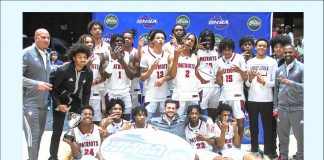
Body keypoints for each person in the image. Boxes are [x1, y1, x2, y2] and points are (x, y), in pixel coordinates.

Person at [48, 43, 93, 160]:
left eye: (85, 57)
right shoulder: (64, 70)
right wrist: (58, 105)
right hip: (60, 101)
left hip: (75, 102)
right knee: (57, 131)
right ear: (74, 57)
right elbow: (52, 89)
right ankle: (53, 156)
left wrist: (85, 107)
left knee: (77, 130)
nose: (83, 59)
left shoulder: (88, 72)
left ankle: (77, 155)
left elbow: (87, 91)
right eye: (80, 57)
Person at [245, 38, 278, 159]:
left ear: (267, 48)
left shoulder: (272, 62)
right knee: (253, 127)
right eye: (259, 46)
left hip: (267, 99)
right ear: (255, 47)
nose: (261, 48)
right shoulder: (250, 62)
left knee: (267, 127)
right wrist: (250, 78)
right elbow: (247, 84)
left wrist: (265, 82)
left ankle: (268, 152)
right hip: (253, 99)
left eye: (264, 46)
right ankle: (254, 149)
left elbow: (275, 82)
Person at [23, 28, 52, 160]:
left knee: (39, 135)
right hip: (29, 104)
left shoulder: (47, 54)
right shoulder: (27, 53)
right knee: (33, 136)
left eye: (48, 38)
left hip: (43, 104)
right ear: (35, 39)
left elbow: (46, 72)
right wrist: (36, 84)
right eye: (43, 37)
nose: (46, 40)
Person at [95, 34, 136, 120]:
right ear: (111, 43)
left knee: (126, 118)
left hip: (125, 92)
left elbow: (132, 76)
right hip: (110, 92)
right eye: (117, 41)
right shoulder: (105, 56)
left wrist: (122, 62)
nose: (119, 42)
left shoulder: (129, 56)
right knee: (112, 119)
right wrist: (113, 60)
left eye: (121, 41)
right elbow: (106, 75)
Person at [274, 44, 304, 160]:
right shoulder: (279, 69)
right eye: (285, 52)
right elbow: (276, 89)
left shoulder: (302, 68)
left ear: (295, 52)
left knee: (301, 138)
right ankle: (284, 157)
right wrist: (275, 107)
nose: (287, 54)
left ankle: (301, 157)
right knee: (283, 137)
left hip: (298, 107)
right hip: (282, 108)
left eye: (290, 52)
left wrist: (290, 83)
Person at [215, 38, 247, 142]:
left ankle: (239, 145)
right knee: (222, 122)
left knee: (240, 123)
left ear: (232, 49)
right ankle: (223, 144)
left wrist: (239, 70)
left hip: (238, 95)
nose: (227, 52)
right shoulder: (219, 61)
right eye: (224, 50)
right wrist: (218, 75)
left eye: (229, 49)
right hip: (224, 95)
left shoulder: (239, 58)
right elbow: (219, 83)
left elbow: (245, 78)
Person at [169, 33, 206, 116]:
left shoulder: (196, 58)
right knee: (177, 118)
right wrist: (176, 58)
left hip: (193, 92)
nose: (189, 42)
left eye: (192, 41)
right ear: (183, 40)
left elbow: (196, 73)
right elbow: (172, 75)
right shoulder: (173, 56)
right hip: (179, 92)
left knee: (194, 117)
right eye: (188, 39)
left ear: (194, 44)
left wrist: (202, 79)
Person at [140, 30, 172, 120]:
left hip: (165, 92)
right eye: (158, 38)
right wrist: (152, 68)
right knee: (145, 118)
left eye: (162, 38)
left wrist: (164, 79)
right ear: (152, 40)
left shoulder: (168, 56)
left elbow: (172, 74)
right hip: (151, 92)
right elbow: (142, 78)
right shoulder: (146, 56)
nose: (160, 40)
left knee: (165, 120)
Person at [147, 99, 213, 139]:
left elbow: (195, 115)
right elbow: (141, 125)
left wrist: (208, 120)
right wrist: (149, 127)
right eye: (169, 108)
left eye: (173, 108)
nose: (171, 110)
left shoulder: (183, 119)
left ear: (176, 110)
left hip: (179, 149)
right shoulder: (154, 121)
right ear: (164, 109)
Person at [77, 34, 105, 125]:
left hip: (95, 91)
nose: (89, 44)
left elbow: (104, 76)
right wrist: (86, 66)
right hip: (80, 92)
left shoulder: (98, 57)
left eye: (91, 42)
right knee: (80, 119)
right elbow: (74, 74)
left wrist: (95, 82)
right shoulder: (76, 57)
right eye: (86, 42)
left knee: (96, 119)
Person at [196, 29, 220, 121]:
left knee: (213, 114)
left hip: (215, 86)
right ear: (201, 40)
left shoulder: (217, 50)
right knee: (200, 113)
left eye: (210, 40)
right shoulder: (196, 51)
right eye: (205, 40)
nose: (207, 42)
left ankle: (211, 134)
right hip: (202, 86)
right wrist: (195, 49)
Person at [88, 20, 111, 116]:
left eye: (99, 29)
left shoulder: (107, 46)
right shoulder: (87, 45)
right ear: (90, 31)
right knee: (90, 111)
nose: (97, 31)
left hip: (105, 82)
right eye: (94, 29)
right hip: (91, 84)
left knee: (105, 110)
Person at [123, 29, 142, 109]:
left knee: (136, 109)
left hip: (134, 83)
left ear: (133, 40)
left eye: (129, 38)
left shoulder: (137, 52)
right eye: (125, 38)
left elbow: (137, 73)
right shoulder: (117, 53)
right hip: (122, 84)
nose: (126, 39)